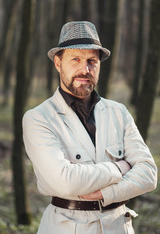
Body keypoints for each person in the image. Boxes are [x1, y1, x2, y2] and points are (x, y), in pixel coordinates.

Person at [23, 21, 157, 234]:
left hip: (119, 226)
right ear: (58, 63)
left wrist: (105, 194)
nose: (84, 69)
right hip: (65, 227)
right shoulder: (39, 118)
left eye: (91, 61)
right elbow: (65, 181)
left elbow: (149, 175)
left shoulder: (118, 112)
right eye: (75, 59)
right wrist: (121, 168)